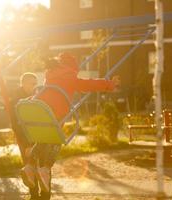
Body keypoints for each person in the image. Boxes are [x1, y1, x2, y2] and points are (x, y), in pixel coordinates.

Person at [20, 53, 120, 196]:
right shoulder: (70, 77)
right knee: (56, 140)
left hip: (40, 112)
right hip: (55, 115)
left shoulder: (50, 75)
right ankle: (45, 169)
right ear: (73, 67)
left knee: (41, 140)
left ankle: (29, 167)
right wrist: (109, 84)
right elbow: (89, 84)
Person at [10, 72, 51, 200]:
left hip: (38, 136)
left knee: (43, 166)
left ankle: (45, 196)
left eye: (36, 84)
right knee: (30, 167)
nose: (34, 87)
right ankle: (35, 196)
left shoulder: (36, 97)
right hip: (26, 139)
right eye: (31, 84)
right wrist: (25, 144)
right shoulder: (17, 101)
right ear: (23, 84)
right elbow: (16, 124)